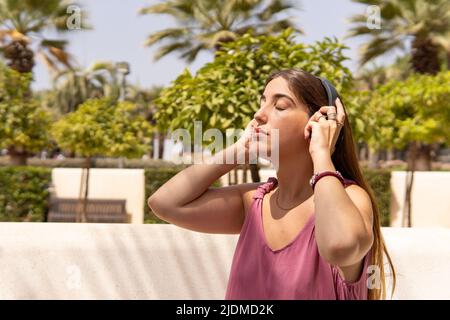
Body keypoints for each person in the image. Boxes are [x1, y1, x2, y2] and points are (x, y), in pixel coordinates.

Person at [148, 68, 395, 300]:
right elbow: (164, 204)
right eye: (262, 102)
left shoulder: (351, 198)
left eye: (279, 105)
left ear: (317, 123)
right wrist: (238, 151)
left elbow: (340, 248)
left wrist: (321, 153)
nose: (259, 114)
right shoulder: (254, 202)